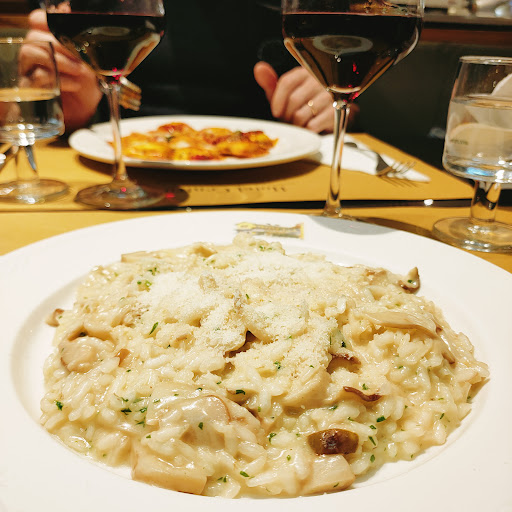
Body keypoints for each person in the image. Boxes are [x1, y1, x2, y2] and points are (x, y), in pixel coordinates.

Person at [25, 1, 335, 134]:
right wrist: (54, 103)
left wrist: (334, 94)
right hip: (112, 165)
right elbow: (24, 114)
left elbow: (345, 63)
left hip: (285, 163)